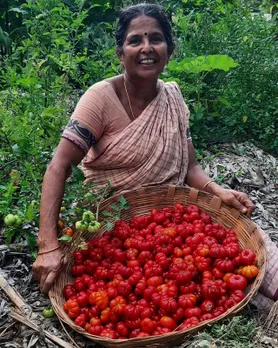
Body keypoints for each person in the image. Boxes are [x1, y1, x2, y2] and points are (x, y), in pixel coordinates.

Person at [33, 4, 277, 307]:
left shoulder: (173, 98)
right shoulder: (100, 99)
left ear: (169, 49)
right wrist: (47, 245)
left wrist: (217, 191)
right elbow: (59, 165)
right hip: (113, 225)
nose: (146, 48)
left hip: (174, 221)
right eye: (135, 40)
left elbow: (191, 167)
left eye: (156, 38)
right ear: (120, 53)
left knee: (261, 259)